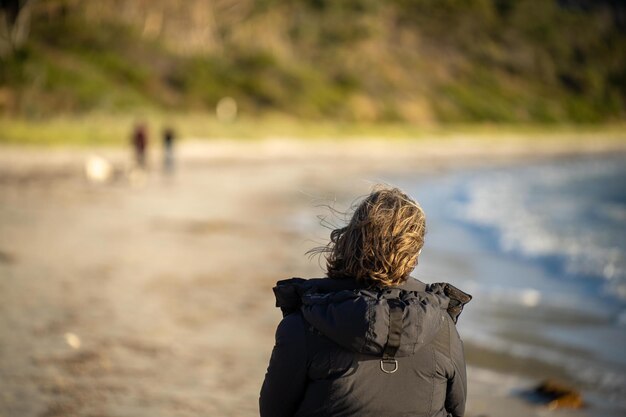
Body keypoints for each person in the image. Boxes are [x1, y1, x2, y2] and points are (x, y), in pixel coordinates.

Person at [260, 186, 472, 417]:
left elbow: (273, 411)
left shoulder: (302, 324)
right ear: (414, 252)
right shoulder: (442, 327)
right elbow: (457, 410)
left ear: (351, 239)